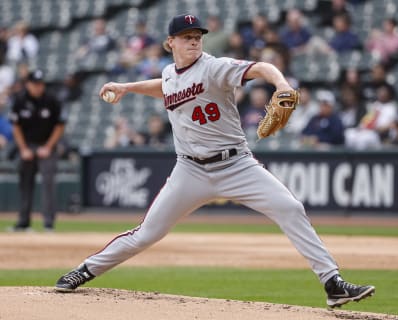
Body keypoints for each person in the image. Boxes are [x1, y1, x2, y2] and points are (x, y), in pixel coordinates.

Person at [54, 14, 375, 309]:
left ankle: (332, 283)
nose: (194, 41)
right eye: (186, 36)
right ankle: (84, 270)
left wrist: (281, 85)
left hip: (236, 165)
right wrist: (127, 87)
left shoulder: (215, 67)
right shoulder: (169, 74)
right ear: (171, 43)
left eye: (197, 36)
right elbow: (166, 87)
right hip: (190, 170)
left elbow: (261, 67)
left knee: (290, 208)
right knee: (146, 234)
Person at [8, 69, 66, 231]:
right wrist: (24, 149)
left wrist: (48, 147)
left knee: (49, 183)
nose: (38, 87)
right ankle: (23, 223)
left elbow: (60, 125)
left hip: (47, 145)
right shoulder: (19, 100)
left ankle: (48, 224)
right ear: (28, 84)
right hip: (27, 145)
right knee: (25, 183)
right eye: (35, 84)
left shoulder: (51, 100)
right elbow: (16, 126)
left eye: (40, 84)